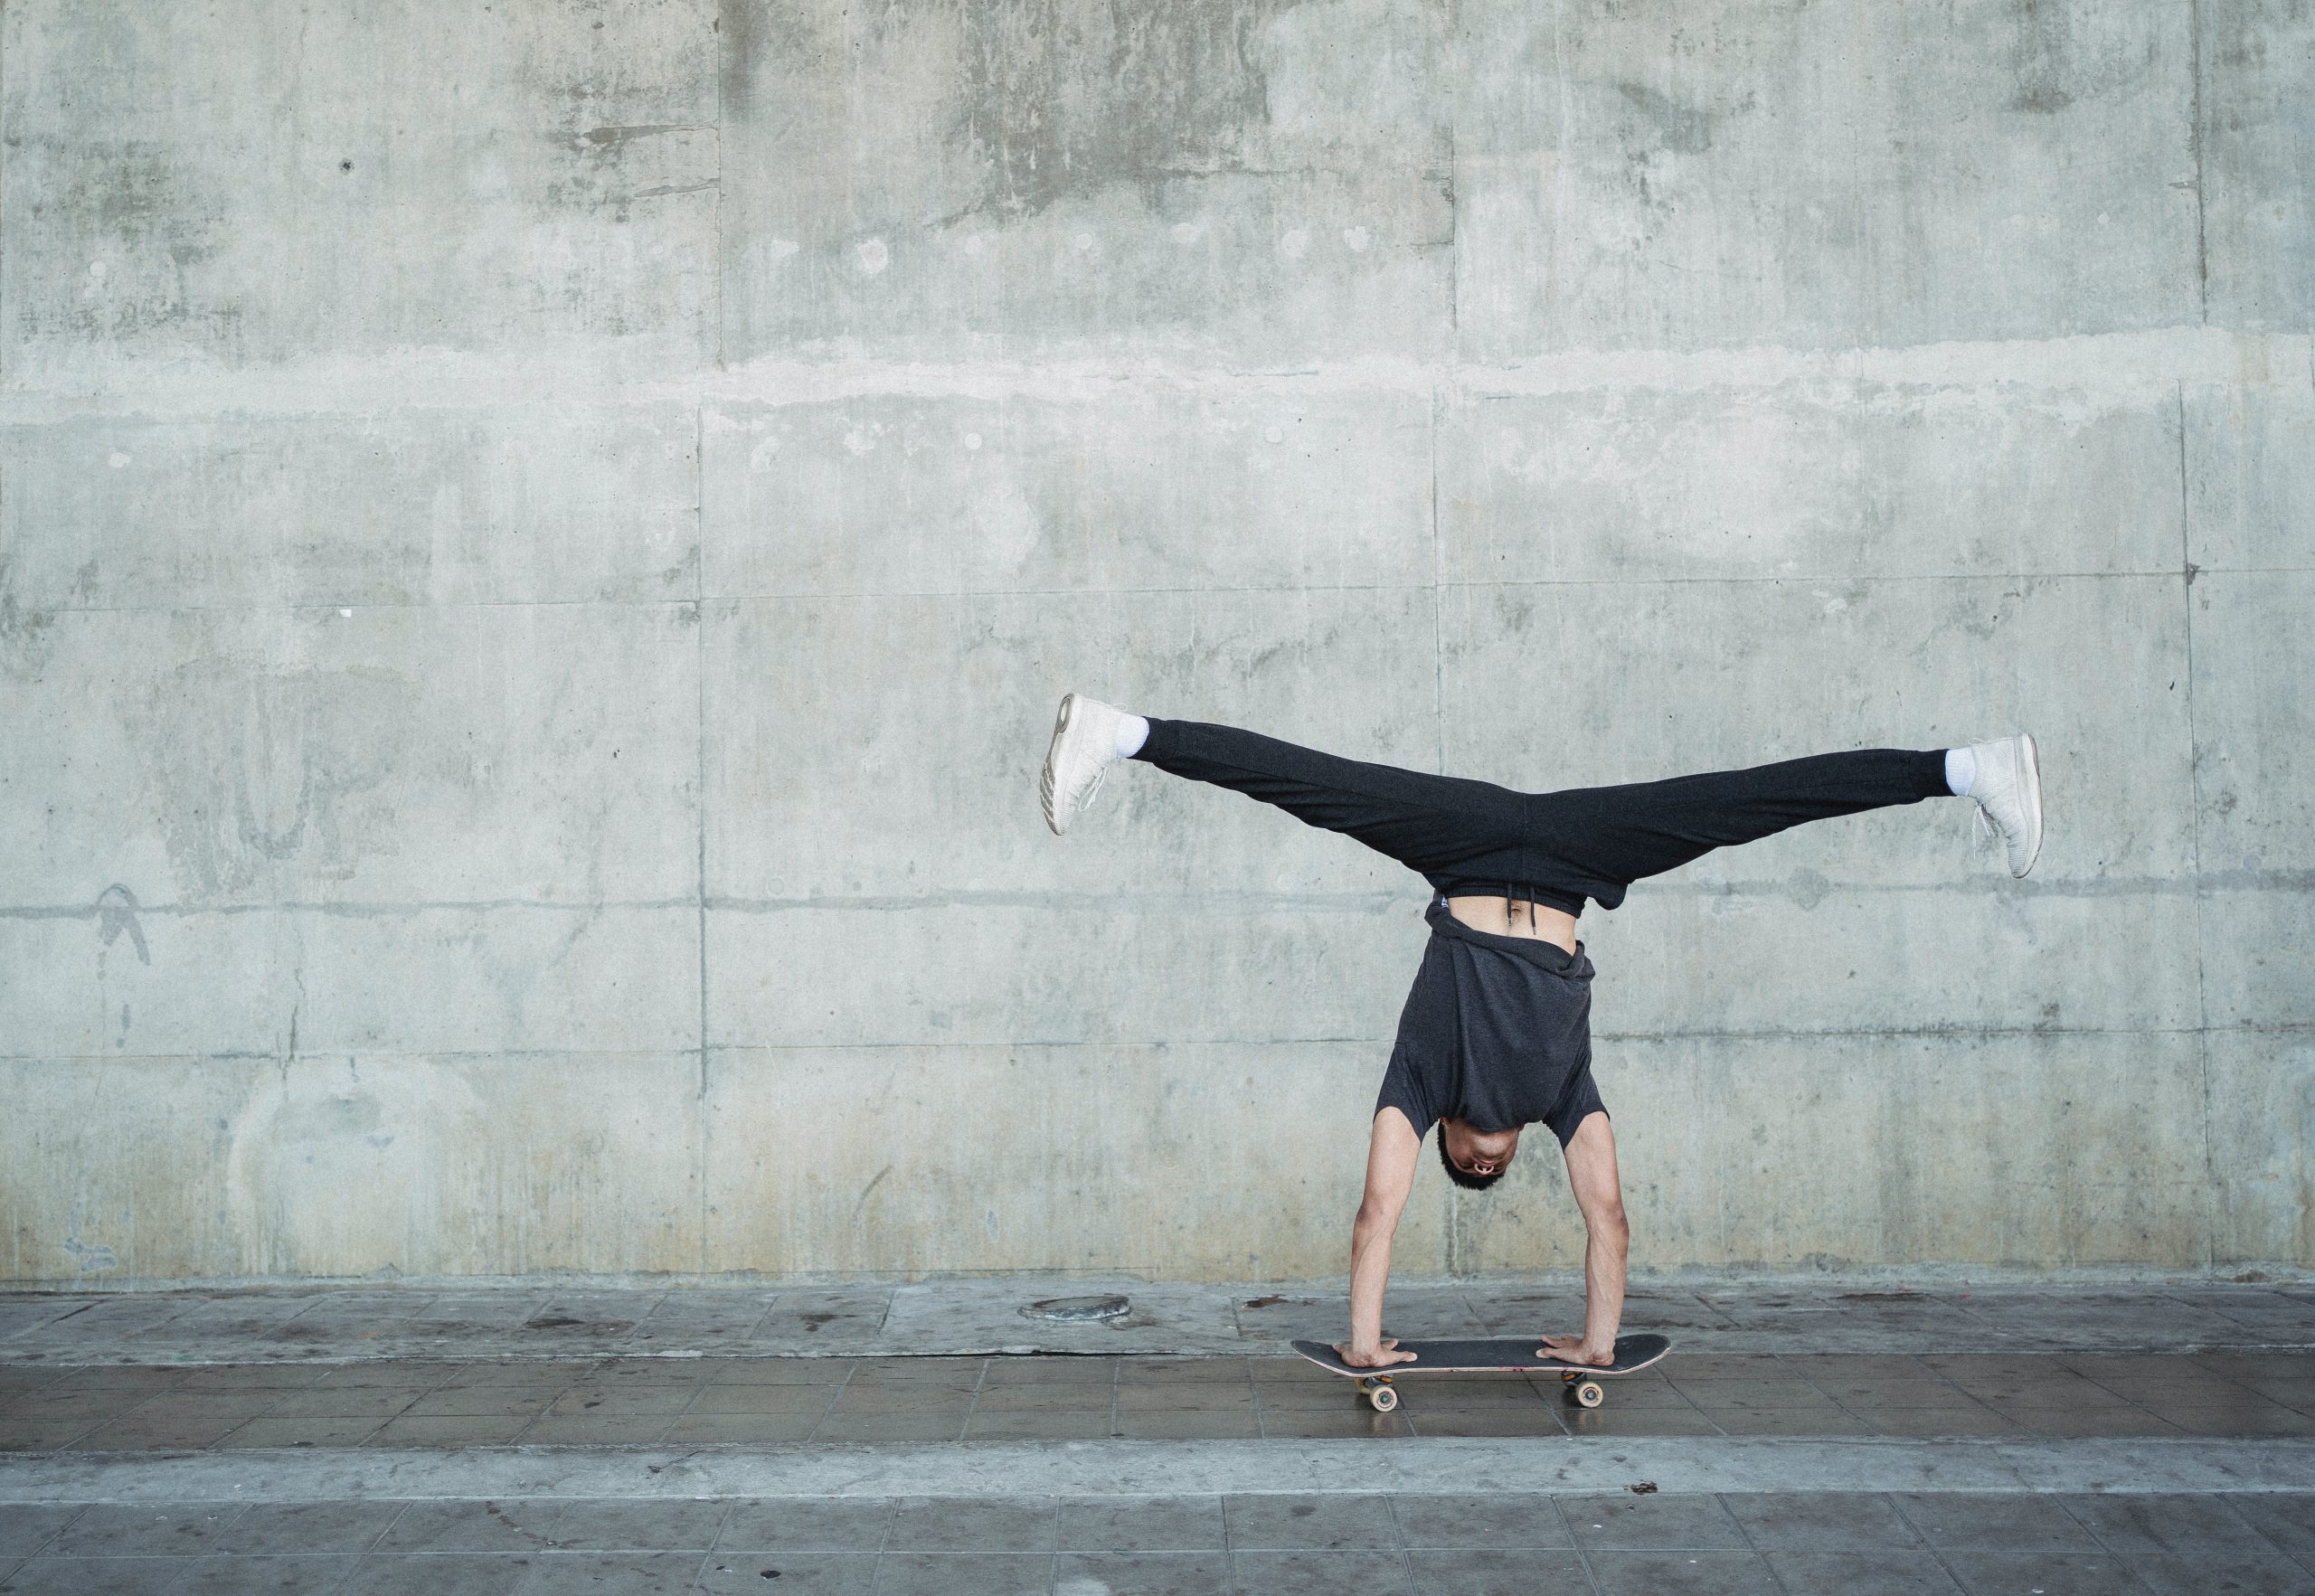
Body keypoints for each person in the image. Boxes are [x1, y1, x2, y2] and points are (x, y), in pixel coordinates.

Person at [1038, 694, 2043, 1370]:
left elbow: (1377, 1212)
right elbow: (1609, 1220)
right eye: (1493, 1170)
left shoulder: (1419, 1083)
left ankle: (1120, 731)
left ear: (1443, 1138)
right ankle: (1967, 769)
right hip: (1572, 858)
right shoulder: (1562, 1096)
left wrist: (1364, 1341)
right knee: (1751, 801)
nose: (1481, 1162)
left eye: (1463, 1167)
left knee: (1314, 782)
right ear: (1515, 1147)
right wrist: (1598, 1344)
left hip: (1463, 841)